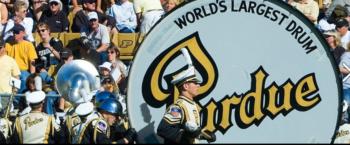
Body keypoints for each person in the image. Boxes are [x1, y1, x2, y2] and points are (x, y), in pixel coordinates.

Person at [157, 66, 216, 144]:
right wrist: (186, 135)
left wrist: (204, 135)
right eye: (195, 83)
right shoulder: (177, 107)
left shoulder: (192, 105)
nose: (198, 85)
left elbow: (192, 132)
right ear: (186, 86)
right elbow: (163, 129)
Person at [5, 24, 37, 94]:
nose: (14, 34)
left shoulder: (28, 45)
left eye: (16, 32)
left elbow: (32, 62)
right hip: (10, 71)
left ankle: (19, 100)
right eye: (13, 32)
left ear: (23, 33)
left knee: (24, 78)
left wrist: (32, 76)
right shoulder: (7, 45)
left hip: (23, 71)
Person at [0, 38, 20, 109]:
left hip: (6, 95)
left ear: (4, 47)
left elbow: (16, 77)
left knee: (5, 119)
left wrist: (14, 92)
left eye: (0, 47)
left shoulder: (11, 60)